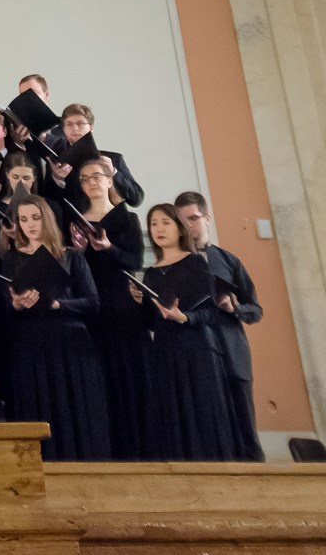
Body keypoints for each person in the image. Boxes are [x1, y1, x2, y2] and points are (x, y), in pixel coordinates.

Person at [0, 193, 109, 460]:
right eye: (23, 220)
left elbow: (93, 303)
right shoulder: (11, 260)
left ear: (46, 218)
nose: (30, 225)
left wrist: (59, 305)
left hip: (70, 343)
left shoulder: (71, 256)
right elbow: (5, 310)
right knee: (39, 405)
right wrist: (17, 305)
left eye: (35, 218)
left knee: (74, 408)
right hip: (32, 343)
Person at [133, 203, 242, 461]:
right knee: (173, 418)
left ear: (180, 228)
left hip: (198, 351)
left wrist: (186, 317)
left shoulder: (196, 263)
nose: (158, 229)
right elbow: (150, 322)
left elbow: (213, 314)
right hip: (165, 352)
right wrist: (139, 303)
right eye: (154, 224)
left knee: (202, 416)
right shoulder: (150, 273)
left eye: (165, 223)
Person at [176, 190, 265, 461]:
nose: (189, 226)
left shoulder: (228, 261)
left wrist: (234, 307)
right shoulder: (175, 264)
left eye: (193, 218)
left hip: (230, 349)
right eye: (183, 221)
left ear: (207, 218)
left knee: (244, 423)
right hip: (196, 353)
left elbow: (256, 310)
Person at [76, 158, 149, 460]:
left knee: (127, 375)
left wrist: (109, 249)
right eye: (86, 178)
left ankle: (136, 450)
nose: (92, 182)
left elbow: (134, 262)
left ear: (110, 181)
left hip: (120, 303)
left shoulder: (126, 218)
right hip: (91, 306)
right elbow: (75, 270)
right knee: (98, 377)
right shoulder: (77, 219)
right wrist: (79, 252)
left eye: (98, 176)